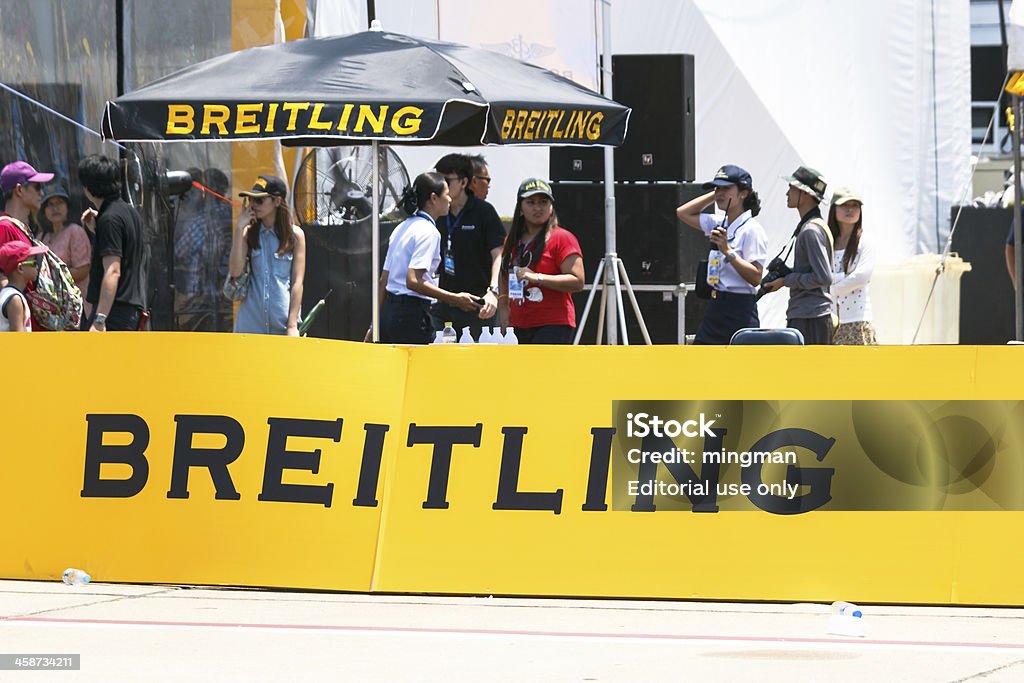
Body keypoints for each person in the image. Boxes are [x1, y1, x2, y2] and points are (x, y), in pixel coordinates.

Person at [373, 172, 482, 344]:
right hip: (410, 316)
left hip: (389, 315)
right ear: (433, 198)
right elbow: (413, 281)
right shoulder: (429, 232)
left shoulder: (401, 227)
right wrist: (455, 299)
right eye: (446, 195)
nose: (450, 200)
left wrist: (375, 325)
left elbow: (383, 281)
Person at [676, 164, 768, 344]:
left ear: (743, 193)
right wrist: (715, 194)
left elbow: (756, 277)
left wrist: (727, 251)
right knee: (702, 363)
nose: (720, 193)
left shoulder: (752, 230)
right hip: (716, 305)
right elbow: (682, 212)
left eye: (726, 188)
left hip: (740, 308)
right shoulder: (719, 222)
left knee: (738, 368)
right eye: (717, 188)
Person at [498, 178, 584, 344]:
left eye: (543, 202)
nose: (537, 208)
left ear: (551, 207)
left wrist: (537, 277)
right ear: (520, 208)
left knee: (546, 371)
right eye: (530, 202)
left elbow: (578, 281)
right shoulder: (512, 240)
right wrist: (503, 305)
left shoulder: (562, 238)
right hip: (517, 323)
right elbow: (504, 272)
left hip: (553, 323)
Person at [432, 153, 505, 340]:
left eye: (447, 180)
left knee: (475, 364)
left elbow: (498, 254)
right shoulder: (436, 212)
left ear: (464, 182)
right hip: (444, 303)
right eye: (438, 179)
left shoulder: (484, 211)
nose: (441, 185)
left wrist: (493, 292)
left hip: (478, 305)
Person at [761, 165, 834, 344]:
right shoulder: (813, 226)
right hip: (809, 314)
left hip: (810, 317)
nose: (787, 193)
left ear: (805, 194)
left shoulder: (810, 230)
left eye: (792, 188)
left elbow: (823, 277)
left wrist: (786, 280)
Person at [228, 175, 306, 336]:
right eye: (251, 200)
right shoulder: (247, 233)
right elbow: (235, 272)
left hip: (282, 325)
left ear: (277, 201)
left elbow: (297, 283)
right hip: (249, 325)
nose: (253, 205)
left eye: (259, 201)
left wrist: (292, 325)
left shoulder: (296, 235)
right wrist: (239, 229)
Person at [78, 154, 148, 332]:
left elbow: (113, 270)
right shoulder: (129, 213)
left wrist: (100, 319)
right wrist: (97, 227)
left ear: (88, 187)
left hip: (113, 313)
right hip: (131, 310)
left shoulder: (109, 219)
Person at [828, 188, 877, 345]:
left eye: (855, 206)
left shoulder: (865, 241)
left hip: (857, 321)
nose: (850, 210)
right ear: (834, 208)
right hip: (831, 320)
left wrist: (831, 290)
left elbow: (861, 277)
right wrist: (842, 278)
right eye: (845, 205)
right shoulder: (828, 242)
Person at [39, 185, 92, 318]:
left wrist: (50, 278)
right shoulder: (41, 237)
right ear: (44, 210)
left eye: (59, 203)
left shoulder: (75, 231)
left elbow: (83, 270)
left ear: (68, 207)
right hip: (52, 311)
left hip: (76, 309)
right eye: (50, 204)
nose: (55, 208)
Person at [0, 161, 54, 287]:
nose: (42, 193)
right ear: (19, 190)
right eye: (37, 187)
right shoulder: (4, 227)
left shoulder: (20, 226)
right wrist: (17, 304)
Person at [0, 241, 47, 332]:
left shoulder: (6, 293)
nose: (37, 267)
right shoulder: (14, 299)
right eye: (34, 263)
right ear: (20, 268)